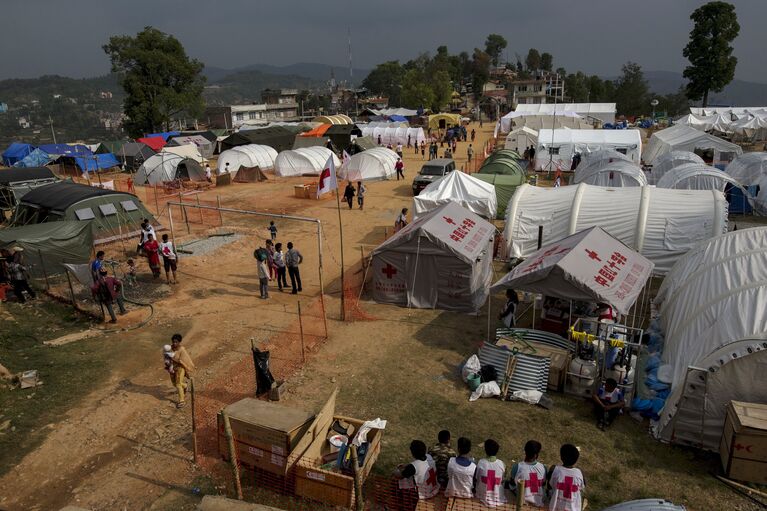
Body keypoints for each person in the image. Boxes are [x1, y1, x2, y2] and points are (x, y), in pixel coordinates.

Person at [547, 444, 585, 511]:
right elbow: (582, 488)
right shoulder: (580, 473)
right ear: (576, 460)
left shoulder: (554, 469)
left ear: (561, 457)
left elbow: (550, 486)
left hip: (555, 507)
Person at [510, 440, 547, 508]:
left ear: (525, 451)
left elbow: (512, 485)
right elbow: (543, 484)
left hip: (522, 503)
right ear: (536, 455)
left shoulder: (517, 467)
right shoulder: (543, 468)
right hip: (539, 502)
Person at [475, 439, 507, 507]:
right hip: (497, 497)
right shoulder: (502, 464)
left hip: (482, 495)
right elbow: (503, 479)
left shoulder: (481, 463)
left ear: (485, 450)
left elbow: (476, 478)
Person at [170, 333, 195, 408]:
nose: (174, 343)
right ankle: (185, 386)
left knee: (178, 384)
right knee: (174, 384)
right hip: (173, 368)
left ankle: (182, 401)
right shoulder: (171, 348)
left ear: (179, 342)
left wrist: (186, 369)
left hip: (180, 368)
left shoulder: (182, 350)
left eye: (176, 342)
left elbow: (184, 360)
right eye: (173, 342)